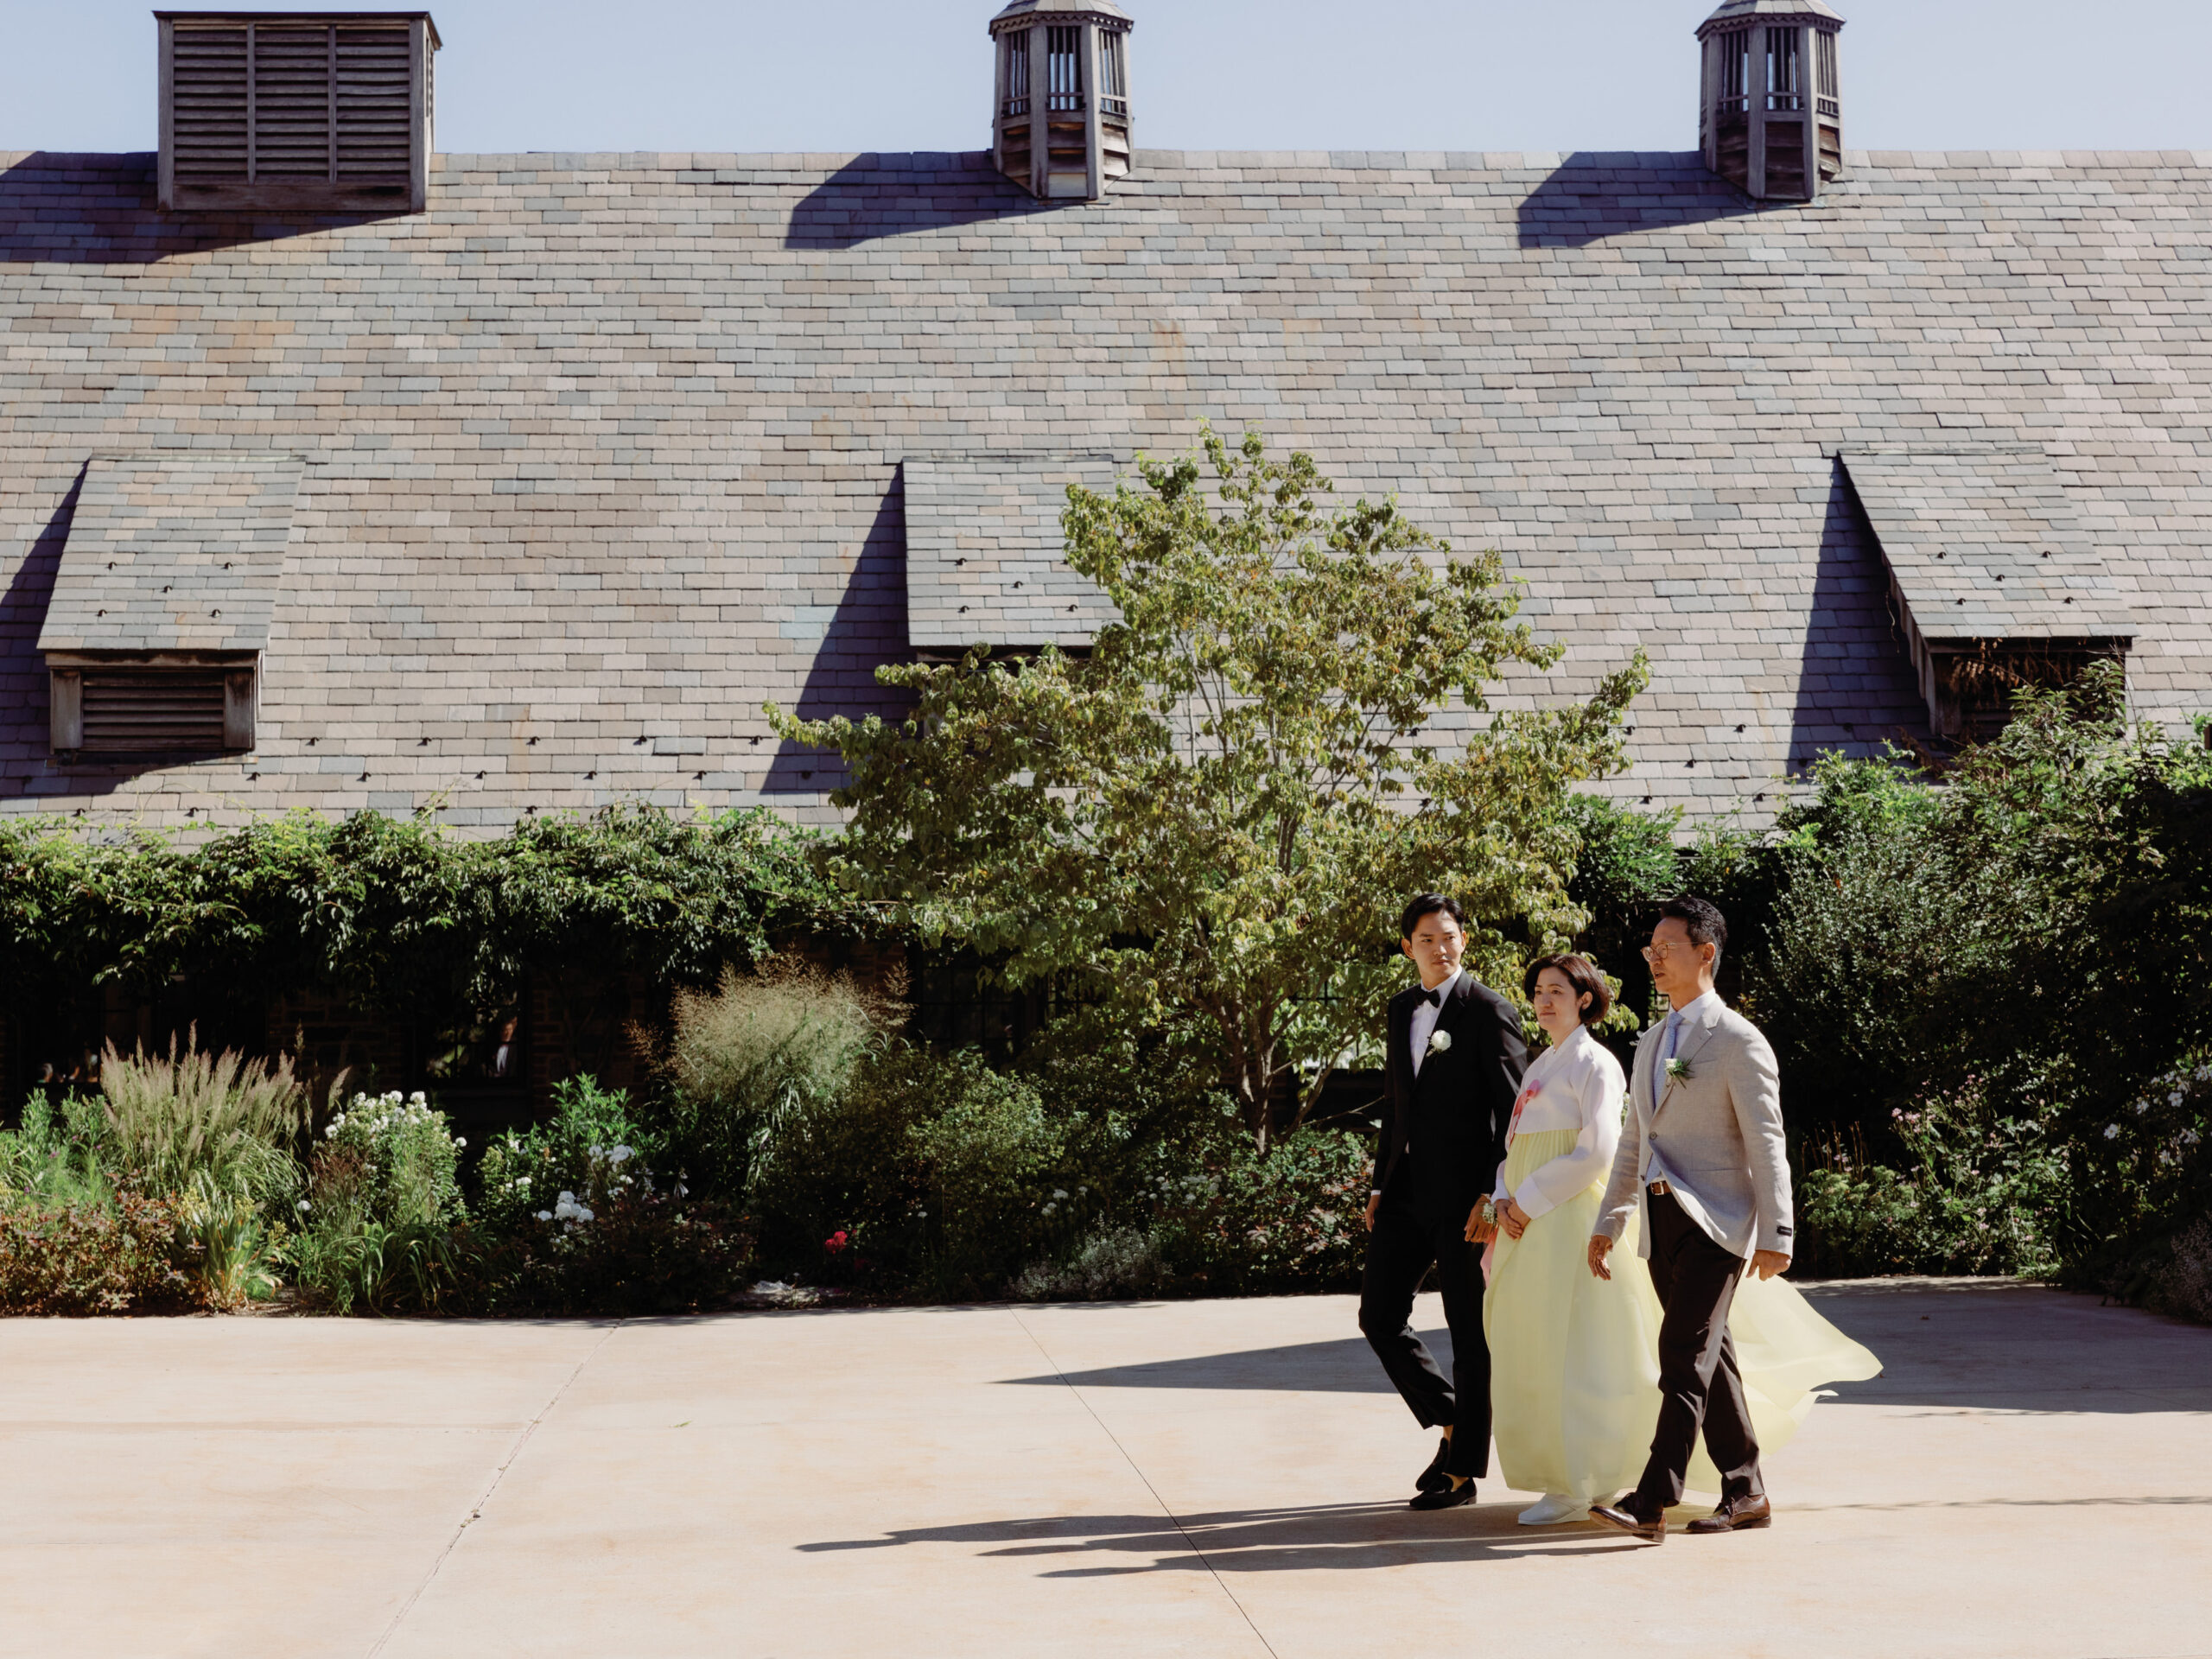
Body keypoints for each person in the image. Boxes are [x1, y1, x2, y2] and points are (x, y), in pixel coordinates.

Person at [1586, 895, 1879, 1544]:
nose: (1654, 959)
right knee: (1710, 1358)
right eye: (1650, 950)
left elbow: (1766, 1141)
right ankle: (1745, 1490)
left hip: (1719, 1221)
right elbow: (1635, 1139)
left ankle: (1652, 1498)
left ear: (1706, 954)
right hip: (1661, 1221)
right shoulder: (1652, 1041)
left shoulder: (1740, 1041)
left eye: (1667, 948)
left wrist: (1778, 1233)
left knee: (1683, 1354)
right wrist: (1611, 1219)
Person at [1359, 892, 1529, 1511]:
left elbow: (1516, 1112)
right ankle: (1456, 1421)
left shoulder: (1488, 1010)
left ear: (1465, 941)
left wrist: (1495, 1192)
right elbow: (1395, 1104)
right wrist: (1380, 1184)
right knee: (1378, 1317)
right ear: (1408, 947)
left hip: (1466, 1202)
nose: (1439, 947)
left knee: (1468, 1332)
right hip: (1404, 1194)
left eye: (1449, 936)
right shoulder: (1400, 1007)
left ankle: (1462, 1473)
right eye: (1426, 938)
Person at [1477, 953, 1654, 1524]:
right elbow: (1514, 1150)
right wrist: (1503, 1196)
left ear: (1585, 998)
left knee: (1576, 1349)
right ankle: (1559, 1472)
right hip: (1527, 1221)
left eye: (1558, 989)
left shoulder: (1595, 1063)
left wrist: (1524, 1202)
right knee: (1534, 1344)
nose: (1544, 1000)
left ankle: (1583, 1478)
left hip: (1566, 1217)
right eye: (1538, 991)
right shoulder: (1539, 1066)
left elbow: (1597, 1150)